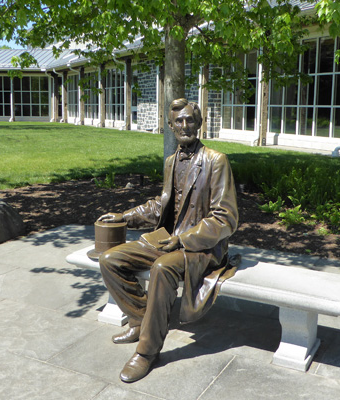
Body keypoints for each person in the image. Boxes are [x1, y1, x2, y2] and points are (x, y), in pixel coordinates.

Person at [98, 98, 239, 383]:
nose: (184, 125)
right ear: (171, 126)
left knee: (162, 268)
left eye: (190, 120)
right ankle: (140, 320)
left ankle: (147, 351)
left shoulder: (216, 160)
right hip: (168, 238)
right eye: (179, 121)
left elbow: (226, 218)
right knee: (110, 259)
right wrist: (124, 217)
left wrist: (184, 239)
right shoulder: (171, 161)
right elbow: (160, 205)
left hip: (202, 246)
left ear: (199, 124)